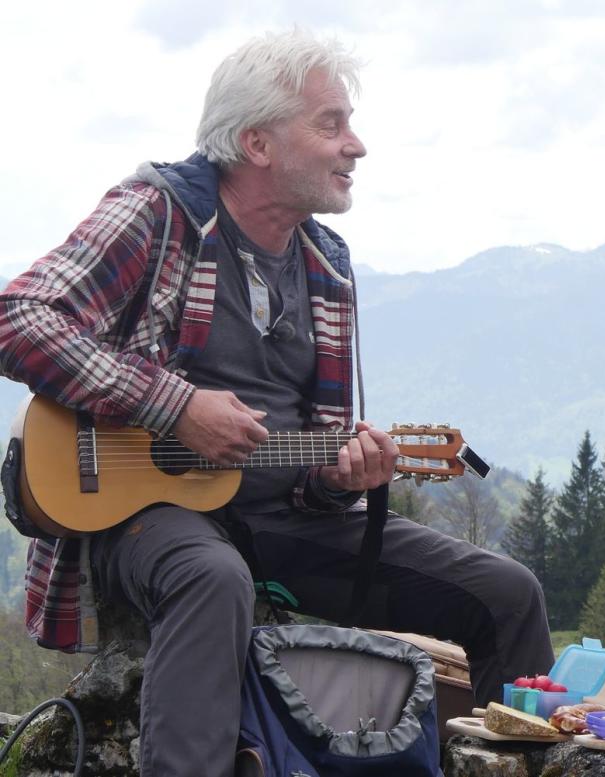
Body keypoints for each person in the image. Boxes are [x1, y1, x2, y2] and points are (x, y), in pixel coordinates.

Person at [0, 30, 553, 777]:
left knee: (505, 593)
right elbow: (20, 318)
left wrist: (339, 475)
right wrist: (173, 404)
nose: (355, 146)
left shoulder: (326, 261)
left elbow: (306, 455)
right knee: (210, 575)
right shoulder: (158, 213)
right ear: (256, 142)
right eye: (330, 124)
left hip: (275, 518)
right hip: (139, 515)